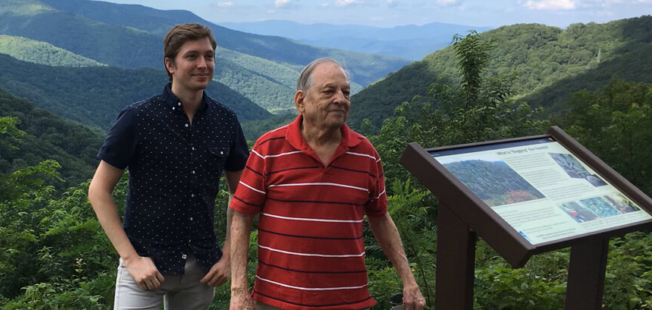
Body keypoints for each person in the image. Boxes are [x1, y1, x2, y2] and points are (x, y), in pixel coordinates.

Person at [229, 58, 426, 310]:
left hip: (348, 301)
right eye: (329, 91)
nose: (341, 99)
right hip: (277, 300)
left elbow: (381, 218)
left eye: (346, 92)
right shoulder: (269, 148)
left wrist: (409, 281)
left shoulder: (365, 154)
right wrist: (238, 291)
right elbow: (241, 217)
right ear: (301, 101)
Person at [88, 23, 249, 310]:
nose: (203, 64)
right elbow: (98, 190)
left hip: (202, 270)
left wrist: (228, 257)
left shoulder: (226, 121)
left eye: (209, 56)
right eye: (192, 56)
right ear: (170, 64)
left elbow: (243, 197)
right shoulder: (138, 118)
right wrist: (131, 260)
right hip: (144, 267)